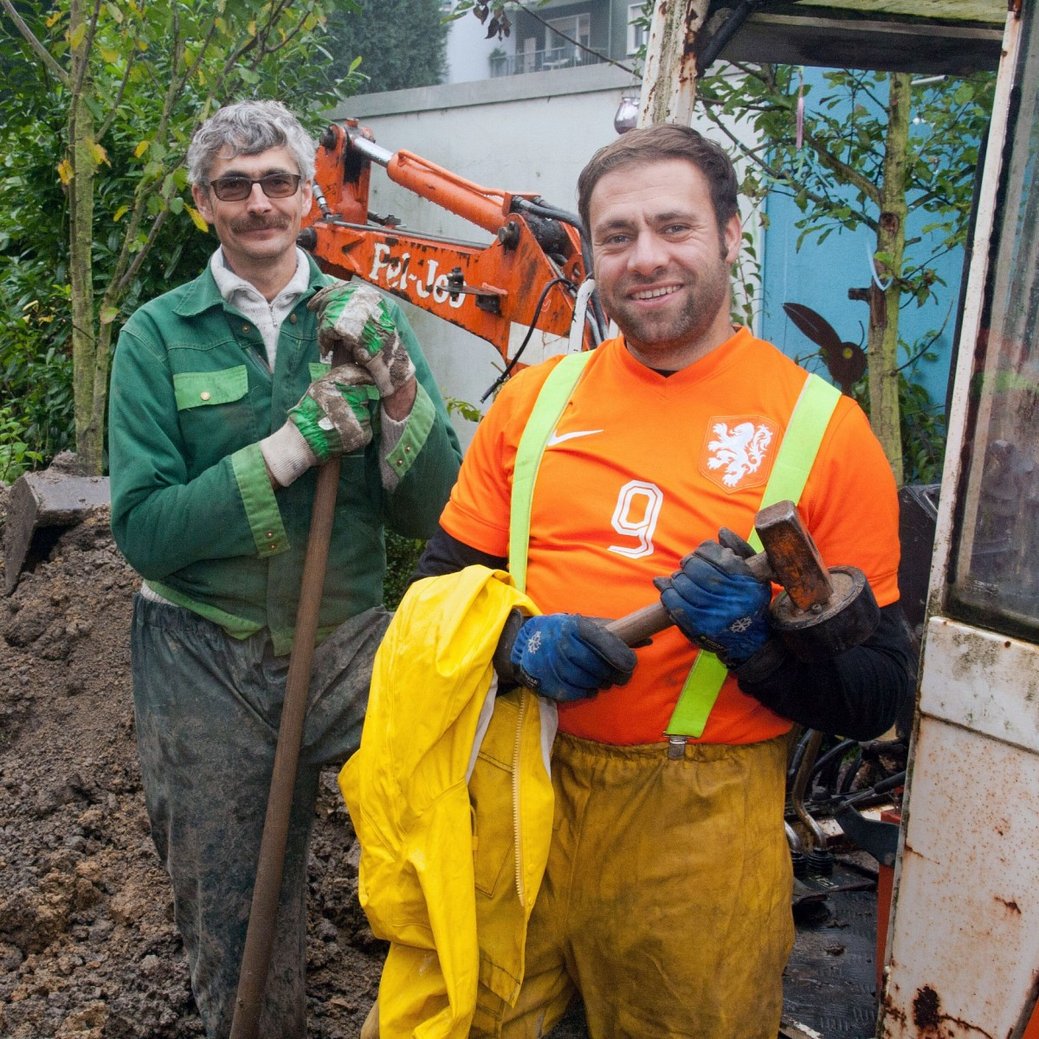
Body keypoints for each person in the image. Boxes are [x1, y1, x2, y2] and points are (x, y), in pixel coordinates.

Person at [411, 124, 915, 1038]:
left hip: (699, 831)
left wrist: (752, 646)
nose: (645, 258)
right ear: (593, 254)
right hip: (516, 798)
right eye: (617, 236)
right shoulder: (533, 404)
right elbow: (431, 597)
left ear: (729, 233)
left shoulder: (822, 432)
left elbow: (878, 690)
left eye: (673, 227)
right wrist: (514, 645)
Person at [107, 99, 462, 1038]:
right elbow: (145, 530)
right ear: (202, 202)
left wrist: (395, 393)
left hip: (345, 642)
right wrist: (287, 449)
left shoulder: (361, 315)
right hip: (201, 656)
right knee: (236, 915)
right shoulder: (157, 337)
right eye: (234, 185)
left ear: (310, 197)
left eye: (277, 182)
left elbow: (431, 513)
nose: (258, 202)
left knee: (455, 836)